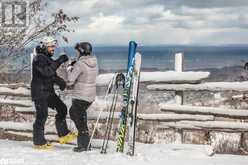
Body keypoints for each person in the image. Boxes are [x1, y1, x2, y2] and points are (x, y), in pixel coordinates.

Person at [31, 36, 76, 149]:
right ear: (44, 46)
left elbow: (52, 75)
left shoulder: (46, 58)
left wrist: (61, 82)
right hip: (40, 92)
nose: (53, 49)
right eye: (51, 46)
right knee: (42, 116)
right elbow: (46, 72)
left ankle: (63, 134)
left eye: (53, 46)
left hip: (48, 92)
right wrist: (59, 60)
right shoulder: (38, 58)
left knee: (62, 108)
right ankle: (39, 142)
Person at [67, 42, 98, 152]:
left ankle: (83, 145)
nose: (76, 53)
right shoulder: (93, 62)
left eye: (77, 51)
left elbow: (70, 80)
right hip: (89, 97)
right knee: (74, 113)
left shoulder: (80, 64)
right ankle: (85, 142)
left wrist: (70, 67)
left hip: (80, 96)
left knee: (80, 120)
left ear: (81, 51)